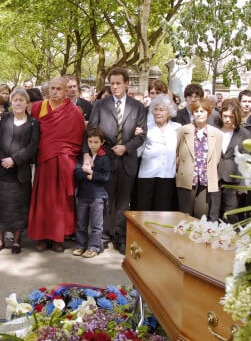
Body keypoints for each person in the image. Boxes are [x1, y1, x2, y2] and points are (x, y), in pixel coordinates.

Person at [85, 67, 147, 255]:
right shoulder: (101, 105)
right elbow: (92, 131)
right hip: (106, 159)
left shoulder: (138, 107)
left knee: (123, 201)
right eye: (112, 83)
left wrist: (126, 147)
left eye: (118, 83)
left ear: (127, 84)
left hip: (127, 160)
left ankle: (120, 236)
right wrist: (95, 151)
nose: (115, 87)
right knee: (104, 200)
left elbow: (142, 135)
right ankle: (102, 235)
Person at [28, 76, 86, 252]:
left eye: (58, 89)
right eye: (52, 88)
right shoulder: (39, 108)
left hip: (63, 162)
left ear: (66, 90)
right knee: (42, 200)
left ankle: (58, 237)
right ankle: (42, 237)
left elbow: (78, 138)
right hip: (44, 161)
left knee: (60, 202)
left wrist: (66, 154)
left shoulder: (74, 111)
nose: (54, 92)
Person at [0, 89, 40, 254]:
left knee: (18, 207)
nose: (18, 103)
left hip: (19, 173)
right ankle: (0, 240)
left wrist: (14, 160)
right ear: (11, 103)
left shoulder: (34, 123)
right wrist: (2, 159)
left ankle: (16, 240)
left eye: (22, 100)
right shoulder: (1, 118)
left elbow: (32, 146)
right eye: (15, 100)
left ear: (27, 104)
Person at [176, 98, 223, 220]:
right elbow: (177, 152)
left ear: (208, 113)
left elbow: (216, 157)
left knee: (201, 214)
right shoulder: (183, 130)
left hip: (205, 179)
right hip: (187, 178)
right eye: (196, 111)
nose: (199, 114)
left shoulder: (217, 134)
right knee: (185, 215)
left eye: (202, 111)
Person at [136, 94, 180, 211]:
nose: (158, 112)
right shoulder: (146, 128)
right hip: (147, 174)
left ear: (169, 112)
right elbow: (138, 151)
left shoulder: (177, 128)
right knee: (144, 209)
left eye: (161, 110)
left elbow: (181, 150)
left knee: (163, 210)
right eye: (155, 109)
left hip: (167, 175)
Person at [72, 126, 110, 258]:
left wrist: (91, 173)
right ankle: (81, 245)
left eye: (96, 142)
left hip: (98, 197)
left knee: (96, 224)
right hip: (83, 195)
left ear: (102, 142)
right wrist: (86, 174)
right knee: (81, 223)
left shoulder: (104, 158)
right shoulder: (83, 157)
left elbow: (105, 177)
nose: (93, 145)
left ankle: (93, 247)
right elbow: (76, 173)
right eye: (90, 142)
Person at [217, 99, 251, 222]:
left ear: (236, 116)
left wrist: (243, 185)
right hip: (214, 178)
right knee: (213, 214)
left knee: (230, 216)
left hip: (233, 179)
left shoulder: (244, 133)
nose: (227, 120)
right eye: (225, 116)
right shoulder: (213, 129)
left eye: (231, 117)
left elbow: (245, 159)